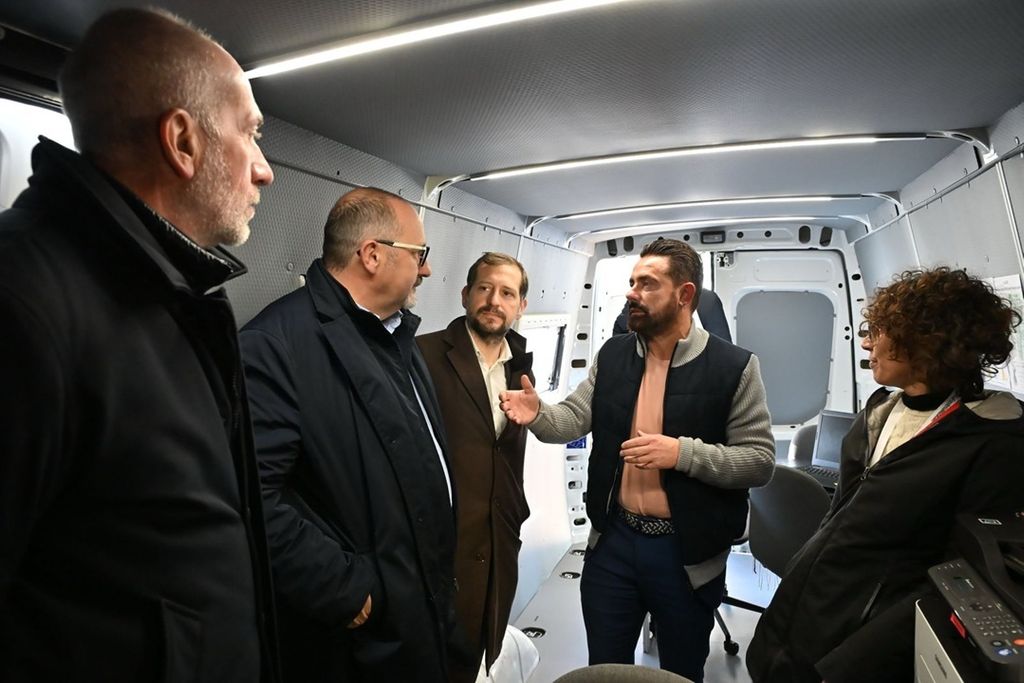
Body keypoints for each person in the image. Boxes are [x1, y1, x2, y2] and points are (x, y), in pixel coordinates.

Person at [0, 8, 278, 682]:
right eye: (250, 133)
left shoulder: (171, 295)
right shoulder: (24, 300)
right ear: (182, 141)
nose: (265, 170)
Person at [501, 238, 774, 682]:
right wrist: (538, 415)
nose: (632, 293)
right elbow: (571, 419)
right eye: (632, 282)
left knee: (680, 672)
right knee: (606, 670)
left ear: (684, 294)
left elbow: (759, 461)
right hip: (614, 543)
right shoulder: (614, 355)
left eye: (647, 284)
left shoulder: (735, 367)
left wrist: (681, 453)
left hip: (686, 556)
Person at [746, 267, 1024, 683]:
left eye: (879, 331)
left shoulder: (993, 443)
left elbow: (958, 578)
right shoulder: (878, 414)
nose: (865, 343)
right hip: (806, 612)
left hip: (861, 643)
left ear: (927, 341)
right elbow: (836, 526)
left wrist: (849, 664)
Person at [240, 187, 456, 682]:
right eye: (419, 253)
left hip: (419, 607)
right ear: (372, 254)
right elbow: (250, 495)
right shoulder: (274, 346)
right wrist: (345, 590)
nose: (426, 269)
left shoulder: (396, 337)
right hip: (358, 637)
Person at [417, 252, 535, 683]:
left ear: (521, 305)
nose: (494, 301)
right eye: (484, 288)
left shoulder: (521, 365)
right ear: (466, 295)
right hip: (441, 549)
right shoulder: (422, 354)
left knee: (472, 658)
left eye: (507, 293)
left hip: (498, 546)